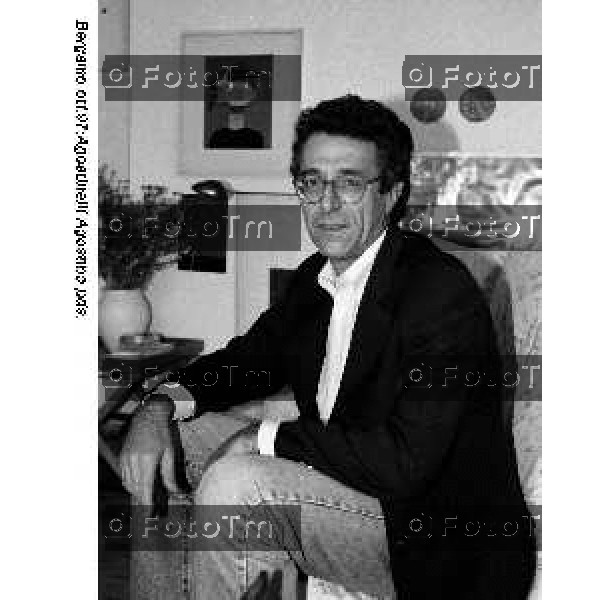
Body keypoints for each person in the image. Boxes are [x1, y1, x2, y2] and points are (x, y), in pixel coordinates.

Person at [120, 95, 536, 599]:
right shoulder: (313, 280)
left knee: (240, 486)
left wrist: (263, 438)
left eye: (350, 182)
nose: (327, 203)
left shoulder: (439, 292)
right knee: (171, 440)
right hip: (350, 485)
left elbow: (406, 462)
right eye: (312, 182)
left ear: (391, 193)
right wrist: (158, 405)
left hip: (432, 535)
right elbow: (247, 361)